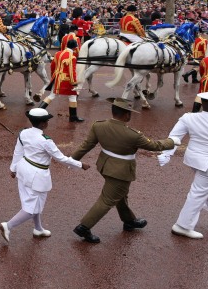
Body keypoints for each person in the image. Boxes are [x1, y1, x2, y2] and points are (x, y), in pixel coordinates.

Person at [69, 97, 179, 243]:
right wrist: (172, 142)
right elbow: (154, 145)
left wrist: (72, 161)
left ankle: (129, 221)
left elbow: (86, 145)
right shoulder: (133, 134)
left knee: (120, 194)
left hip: (105, 166)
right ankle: (84, 227)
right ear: (127, 114)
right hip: (120, 171)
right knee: (107, 200)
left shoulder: (98, 125)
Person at [0, 108, 88, 243]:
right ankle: (8, 225)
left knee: (35, 203)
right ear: (43, 124)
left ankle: (38, 229)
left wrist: (13, 168)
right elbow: (61, 158)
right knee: (31, 209)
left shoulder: (23, 133)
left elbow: (18, 152)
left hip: (24, 169)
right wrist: (80, 165)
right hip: (37, 175)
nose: (48, 122)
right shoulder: (45, 140)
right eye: (47, 120)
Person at [159, 92, 208, 238]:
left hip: (194, 160)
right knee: (198, 193)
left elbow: (174, 137)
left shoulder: (189, 117)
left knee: (204, 189)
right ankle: (183, 225)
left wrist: (166, 154)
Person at [39, 39, 84, 123]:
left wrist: (54, 76)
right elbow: (71, 71)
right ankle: (73, 116)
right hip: (66, 80)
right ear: (74, 48)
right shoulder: (72, 57)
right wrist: (74, 84)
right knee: (72, 96)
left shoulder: (58, 53)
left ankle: (39, 110)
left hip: (57, 77)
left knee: (52, 95)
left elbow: (52, 66)